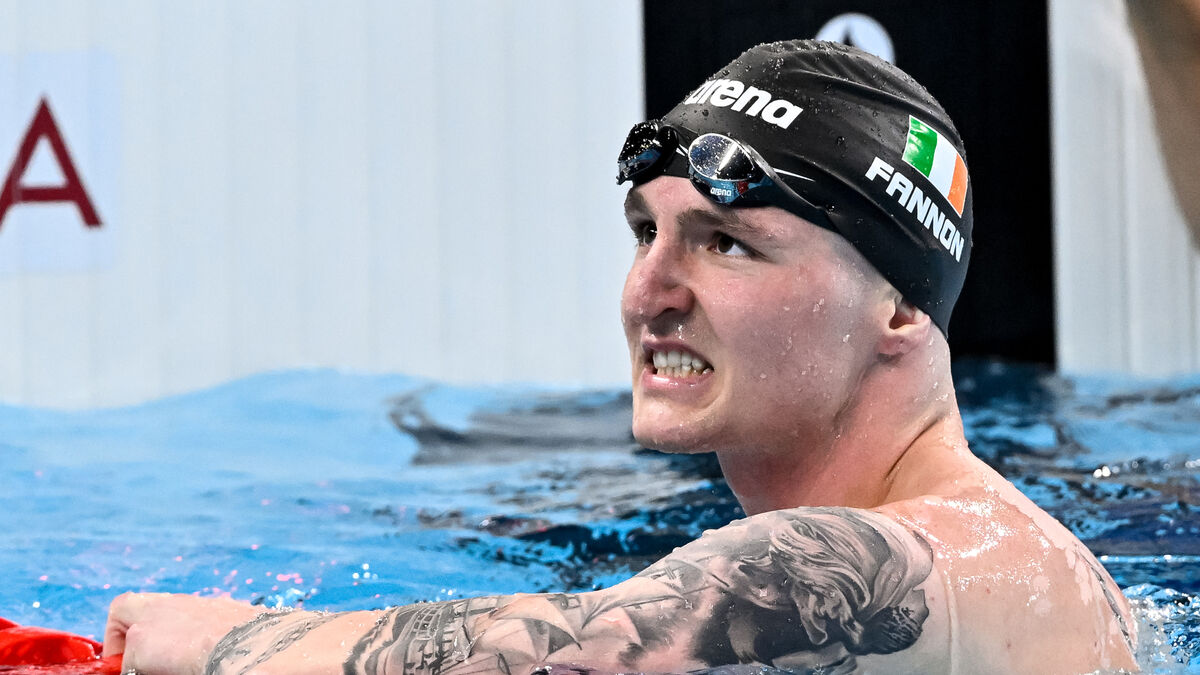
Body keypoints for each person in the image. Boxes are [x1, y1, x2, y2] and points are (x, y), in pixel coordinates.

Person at [103, 40, 1137, 675]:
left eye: (727, 244)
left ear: (901, 307)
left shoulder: (921, 557)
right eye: (647, 233)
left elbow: (599, 650)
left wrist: (224, 642)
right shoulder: (1013, 565)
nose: (648, 293)